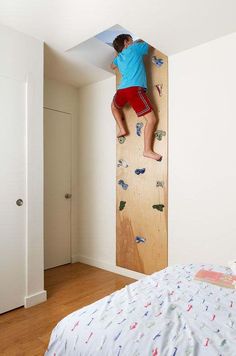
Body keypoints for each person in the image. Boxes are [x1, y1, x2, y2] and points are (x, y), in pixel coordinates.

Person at [111, 34, 162, 162]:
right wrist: (140, 40)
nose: (134, 42)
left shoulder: (118, 58)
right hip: (134, 89)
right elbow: (149, 40)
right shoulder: (135, 48)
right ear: (126, 42)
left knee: (114, 106)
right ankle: (147, 150)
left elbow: (111, 66)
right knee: (151, 120)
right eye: (131, 40)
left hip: (122, 90)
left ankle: (122, 128)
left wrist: (120, 55)